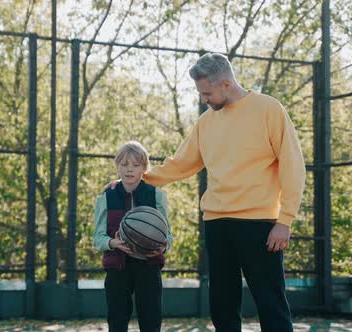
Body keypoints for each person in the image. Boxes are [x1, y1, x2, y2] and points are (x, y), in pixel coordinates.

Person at [108, 53, 305, 332]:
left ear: (226, 83)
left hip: (261, 225)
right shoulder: (206, 122)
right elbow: (180, 165)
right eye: (201, 94)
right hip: (217, 223)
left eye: (207, 93)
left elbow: (293, 166)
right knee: (222, 306)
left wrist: (285, 220)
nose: (204, 99)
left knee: (271, 304)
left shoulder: (269, 110)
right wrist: (134, 178)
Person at [93, 140, 173, 332]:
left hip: (149, 265)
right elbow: (98, 238)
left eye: (136, 165)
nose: (130, 170)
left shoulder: (157, 196)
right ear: (117, 166)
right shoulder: (106, 197)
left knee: (151, 320)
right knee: (117, 320)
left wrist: (163, 246)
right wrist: (113, 243)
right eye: (124, 164)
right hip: (117, 268)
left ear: (144, 168)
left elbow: (167, 236)